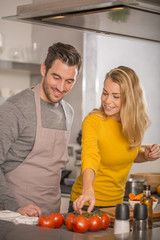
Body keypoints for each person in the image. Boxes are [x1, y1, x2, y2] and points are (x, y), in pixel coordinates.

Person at [0, 42, 81, 217]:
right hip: (14, 217)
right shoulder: (15, 108)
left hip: (52, 217)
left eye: (69, 81)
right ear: (44, 69)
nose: (61, 87)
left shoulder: (68, 112)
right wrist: (14, 207)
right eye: (56, 77)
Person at [69, 66, 160, 214]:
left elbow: (128, 153)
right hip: (87, 202)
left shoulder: (135, 124)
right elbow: (90, 156)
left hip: (117, 205)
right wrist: (87, 190)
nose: (107, 100)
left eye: (115, 96)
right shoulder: (93, 121)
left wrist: (146, 156)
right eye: (105, 93)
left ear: (130, 98)